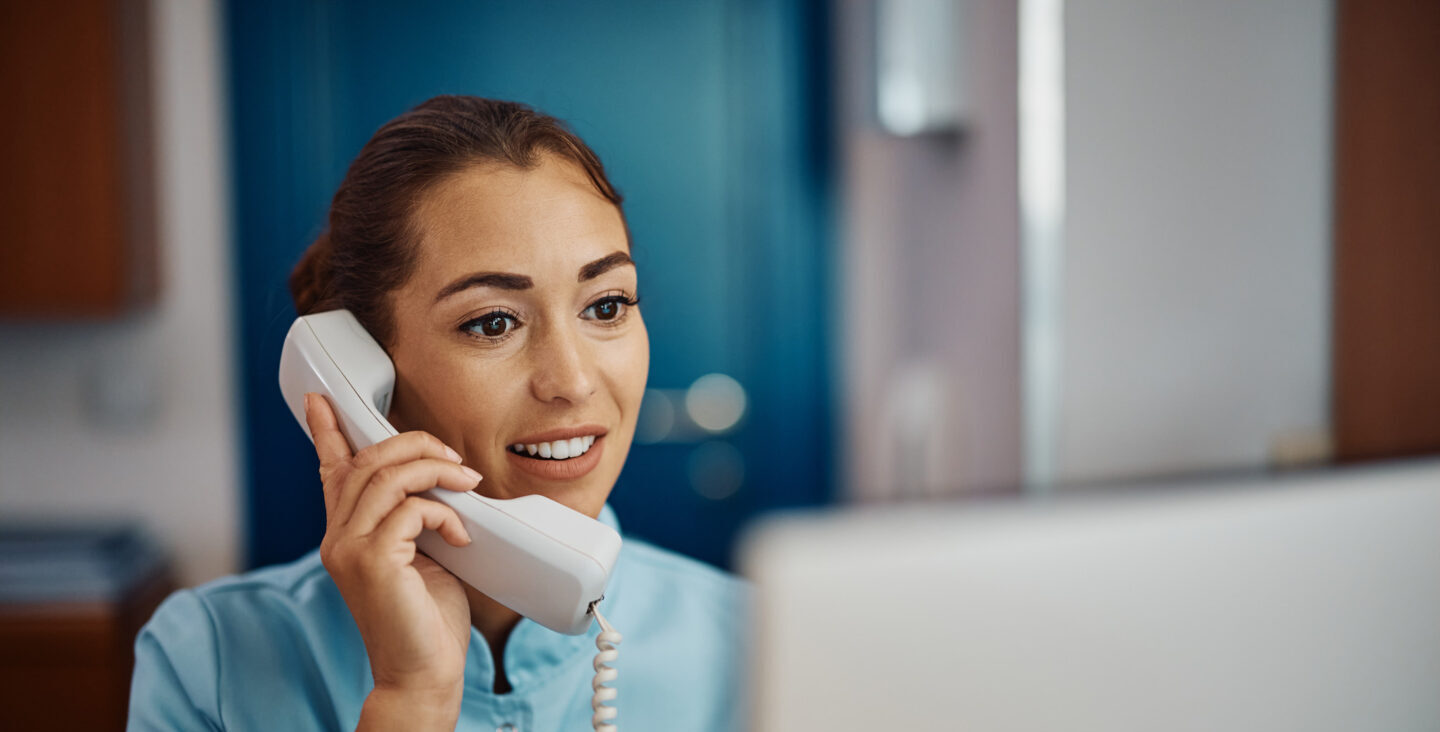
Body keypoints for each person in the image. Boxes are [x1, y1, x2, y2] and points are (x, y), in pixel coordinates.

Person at [128, 96, 746, 731]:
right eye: (493, 322)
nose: (574, 381)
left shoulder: (755, 643)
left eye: (606, 306)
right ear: (362, 365)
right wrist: (411, 699)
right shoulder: (208, 662)